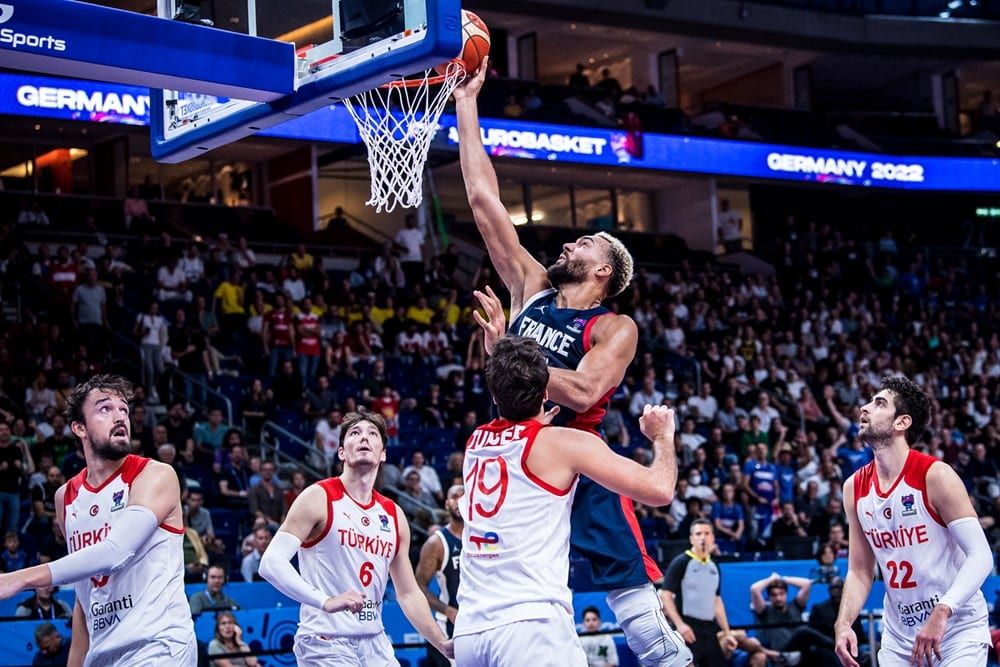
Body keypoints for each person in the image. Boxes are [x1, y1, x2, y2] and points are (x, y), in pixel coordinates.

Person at [456, 61, 678, 666]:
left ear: (604, 271)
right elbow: (482, 198)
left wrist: (511, 352)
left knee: (647, 636)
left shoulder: (613, 327)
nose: (565, 246)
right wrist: (466, 100)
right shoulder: (530, 286)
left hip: (574, 456)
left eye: (582, 245)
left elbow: (582, 393)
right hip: (513, 454)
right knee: (501, 610)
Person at [453, 336, 690, 666]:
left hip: (470, 631)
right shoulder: (565, 445)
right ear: (548, 393)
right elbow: (661, 490)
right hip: (530, 627)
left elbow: (517, 439)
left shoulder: (476, 442)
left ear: (494, 395)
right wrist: (663, 437)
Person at [0, 374, 196, 665]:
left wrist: (18, 579)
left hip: (158, 645)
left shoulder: (155, 475)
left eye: (124, 409)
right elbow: (85, 594)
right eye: (105, 408)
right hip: (102, 653)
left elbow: (115, 551)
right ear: (79, 427)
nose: (120, 416)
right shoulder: (65, 497)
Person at [258, 410, 453, 665]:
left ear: (383, 453)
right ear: (341, 452)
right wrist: (325, 601)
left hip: (375, 641)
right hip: (325, 640)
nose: (364, 438)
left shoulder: (393, 514)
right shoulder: (318, 497)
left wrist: (441, 642)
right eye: (355, 433)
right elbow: (271, 563)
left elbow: (407, 593)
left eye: (373, 434)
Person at [834, 377, 992, 667]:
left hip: (957, 630)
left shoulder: (936, 476)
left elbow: (981, 556)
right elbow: (859, 570)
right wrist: (844, 623)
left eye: (879, 403)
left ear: (901, 423)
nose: (864, 408)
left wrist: (944, 609)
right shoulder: (853, 488)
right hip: (899, 639)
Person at [416, 484, 464, 667]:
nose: (460, 501)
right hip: (450, 624)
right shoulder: (436, 543)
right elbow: (419, 586)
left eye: (464, 496)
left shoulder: (483, 538)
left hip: (482, 620)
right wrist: (448, 610)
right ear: (446, 504)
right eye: (455, 497)